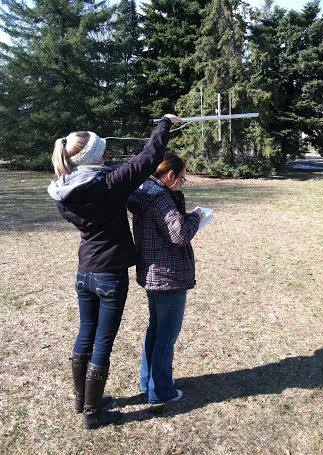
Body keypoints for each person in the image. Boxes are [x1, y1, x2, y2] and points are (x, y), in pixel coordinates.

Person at [47, 114, 180, 429]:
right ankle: (93, 414)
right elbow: (149, 158)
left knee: (85, 335)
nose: (106, 155)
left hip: (85, 272)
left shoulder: (63, 191)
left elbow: (134, 164)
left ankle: (83, 400)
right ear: (94, 158)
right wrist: (164, 124)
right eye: (102, 151)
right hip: (109, 275)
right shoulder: (109, 185)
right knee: (102, 341)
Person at [127, 153, 204, 403]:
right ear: (170, 176)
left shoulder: (145, 193)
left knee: (156, 330)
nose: (183, 182)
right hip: (167, 276)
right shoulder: (161, 199)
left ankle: (148, 380)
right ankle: (161, 390)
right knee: (166, 337)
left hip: (152, 274)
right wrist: (196, 217)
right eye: (182, 178)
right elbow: (180, 234)